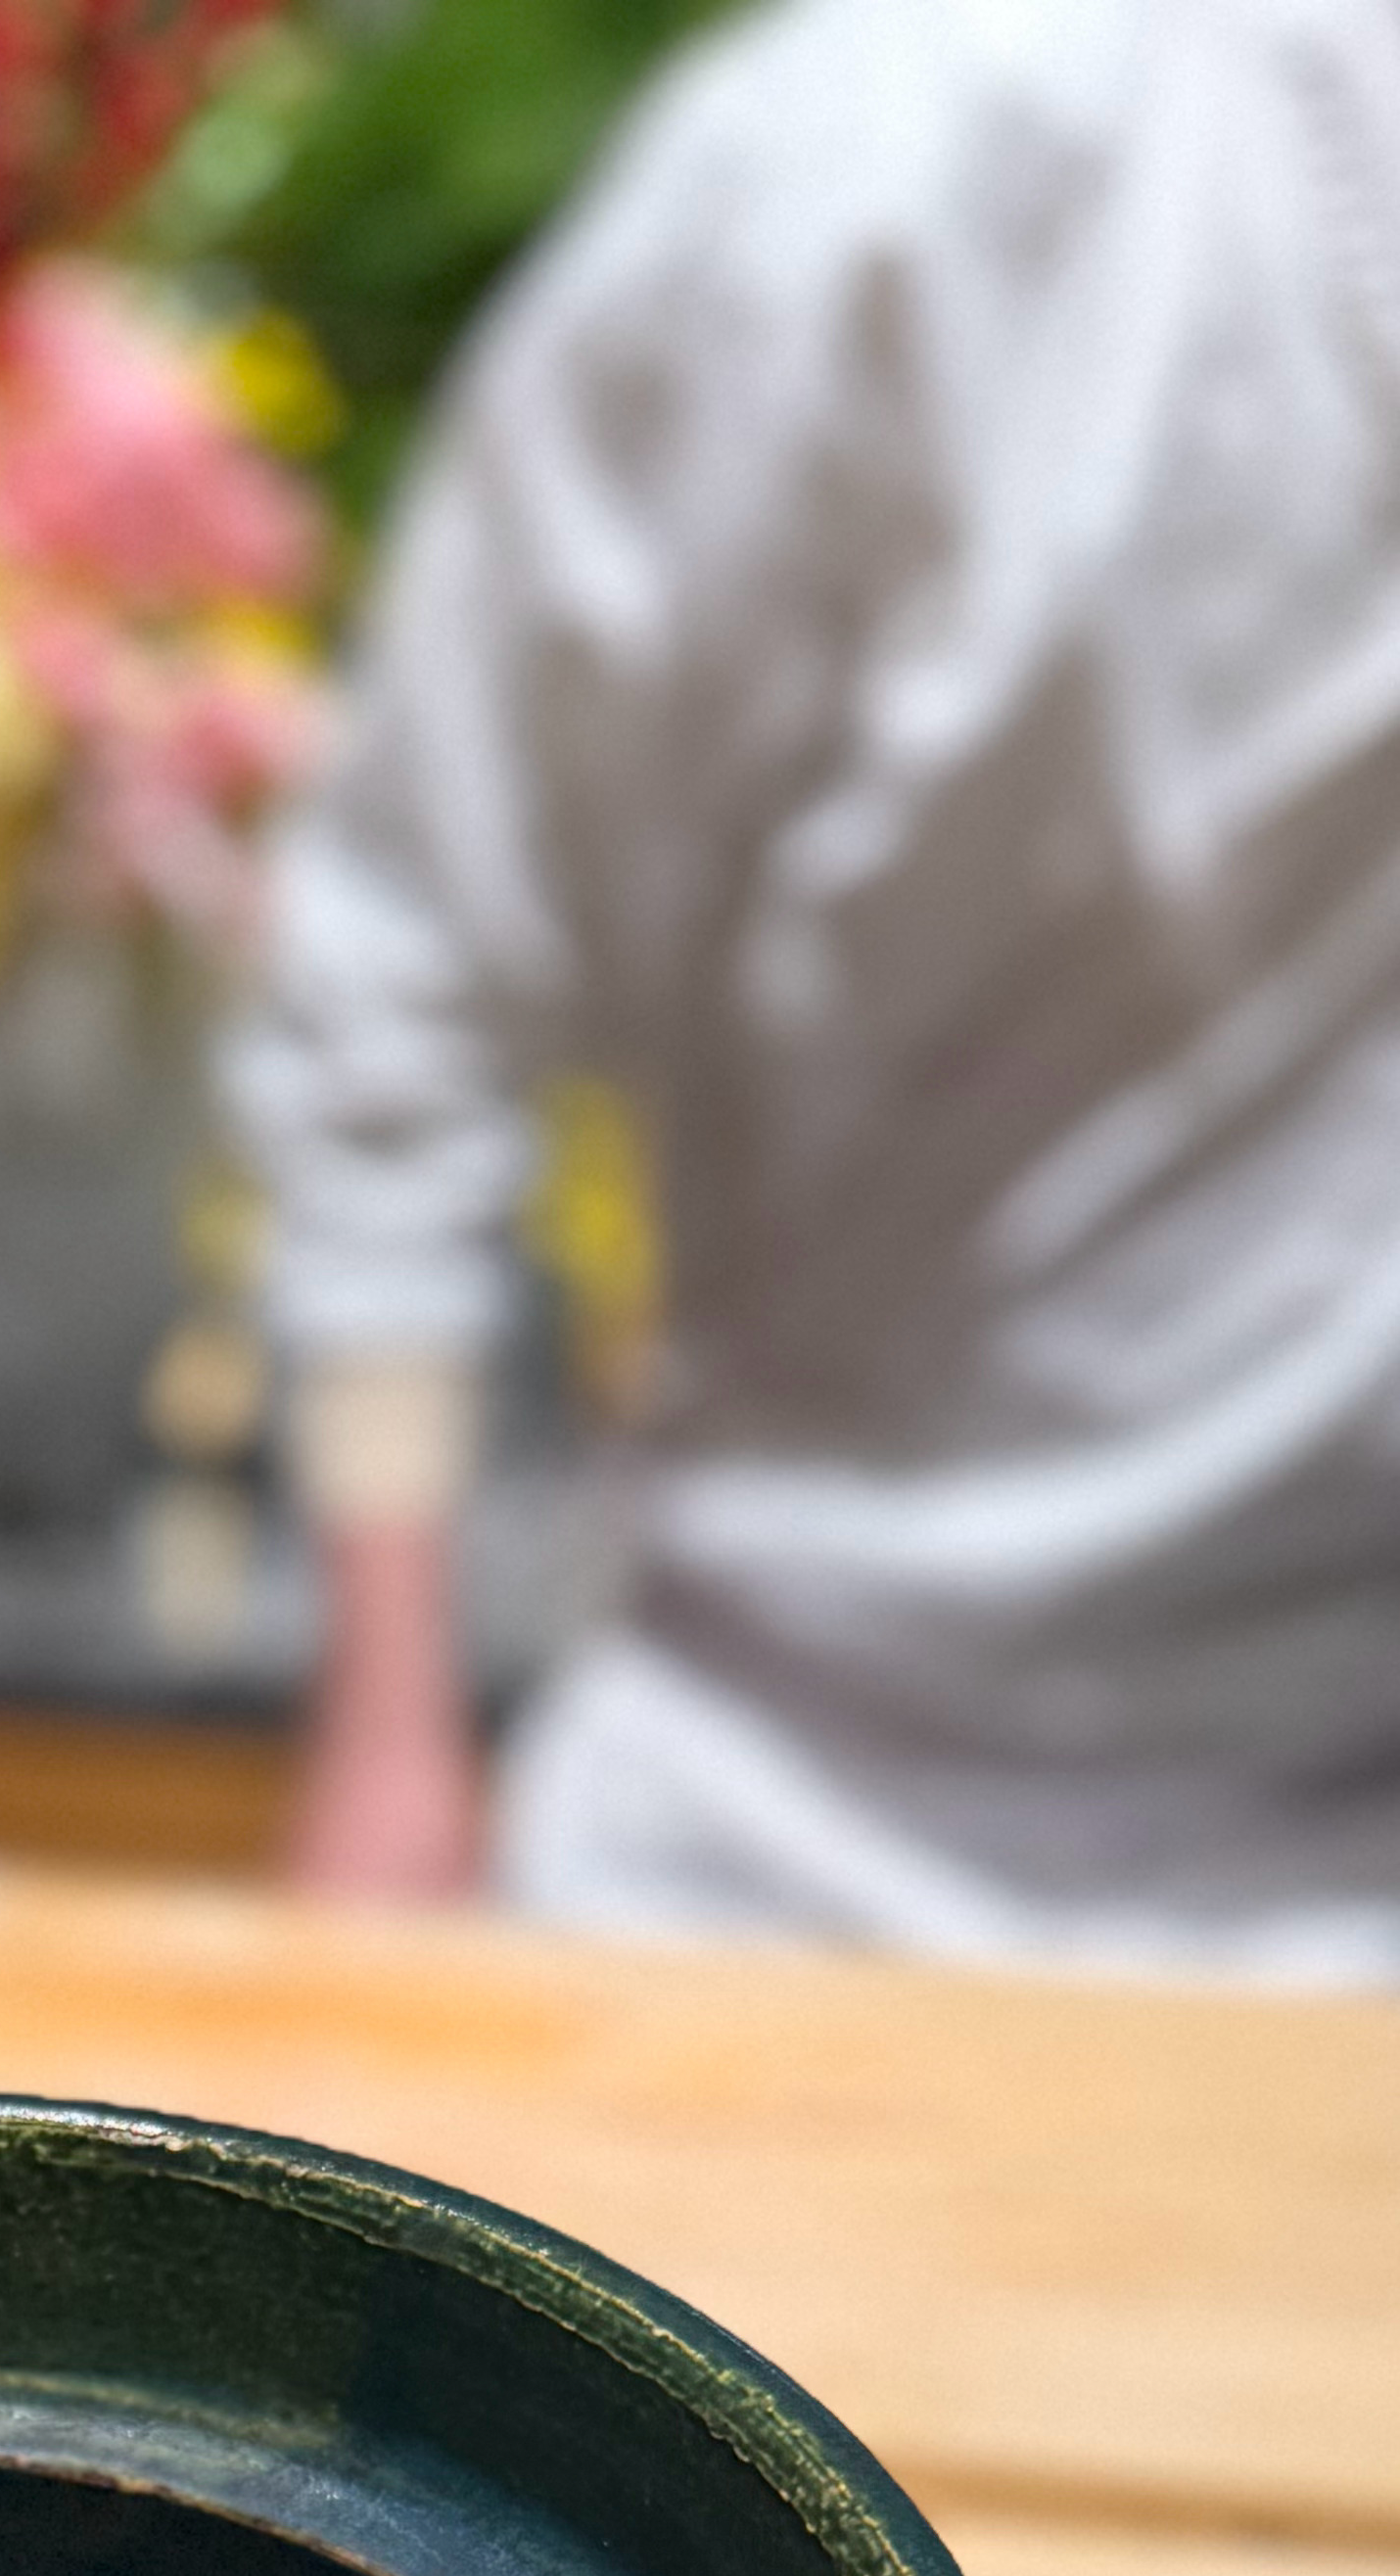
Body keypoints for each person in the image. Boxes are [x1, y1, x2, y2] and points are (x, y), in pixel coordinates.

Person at [230, 0, 1400, 1976]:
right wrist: (385, 1732)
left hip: (1341, 1897)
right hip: (764, 1838)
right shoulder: (878, 159)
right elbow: (410, 937)